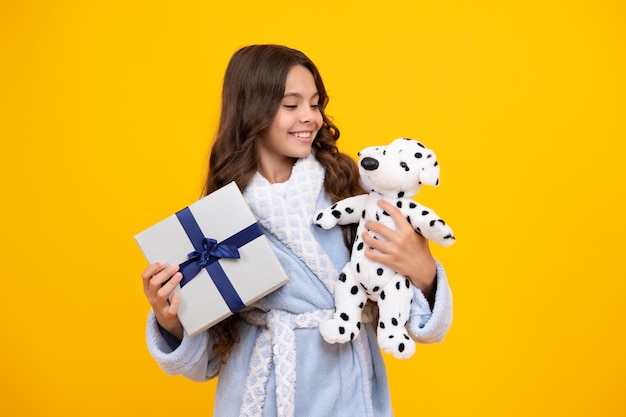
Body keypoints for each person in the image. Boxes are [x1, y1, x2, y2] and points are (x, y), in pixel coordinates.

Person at [141, 44, 452, 417]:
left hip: (347, 393)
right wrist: (170, 319)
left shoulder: (348, 190)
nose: (311, 117)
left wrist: (424, 271)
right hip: (258, 395)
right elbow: (204, 363)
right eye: (291, 105)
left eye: (315, 103)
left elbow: (419, 324)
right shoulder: (221, 220)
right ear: (251, 110)